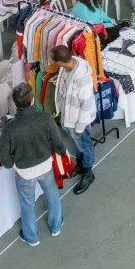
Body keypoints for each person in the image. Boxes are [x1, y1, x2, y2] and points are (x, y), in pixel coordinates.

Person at [0, 83, 76, 246]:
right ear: (32, 100)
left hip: (24, 173)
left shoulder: (9, 128)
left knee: (27, 204)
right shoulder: (45, 118)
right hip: (46, 166)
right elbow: (58, 143)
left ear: (15, 103)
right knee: (52, 195)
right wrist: (63, 153)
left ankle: (31, 236)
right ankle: (56, 226)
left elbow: (4, 160)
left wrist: (14, 164)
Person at [50, 45, 97, 195]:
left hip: (78, 121)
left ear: (61, 62)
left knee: (84, 144)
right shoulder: (66, 67)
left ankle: (88, 171)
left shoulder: (82, 79)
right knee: (78, 144)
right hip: (68, 117)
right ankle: (82, 164)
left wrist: (80, 126)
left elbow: (86, 105)